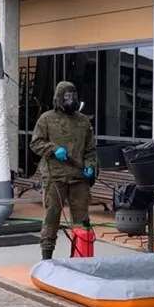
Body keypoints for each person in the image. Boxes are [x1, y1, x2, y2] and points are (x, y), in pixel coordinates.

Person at [30, 81, 97, 261]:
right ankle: (47, 258)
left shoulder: (83, 121)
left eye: (73, 96)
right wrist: (52, 149)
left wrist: (90, 166)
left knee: (82, 222)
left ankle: (81, 258)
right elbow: (35, 143)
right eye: (67, 96)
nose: (71, 99)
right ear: (59, 98)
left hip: (79, 178)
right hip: (55, 177)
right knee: (51, 219)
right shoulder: (46, 119)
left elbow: (91, 149)